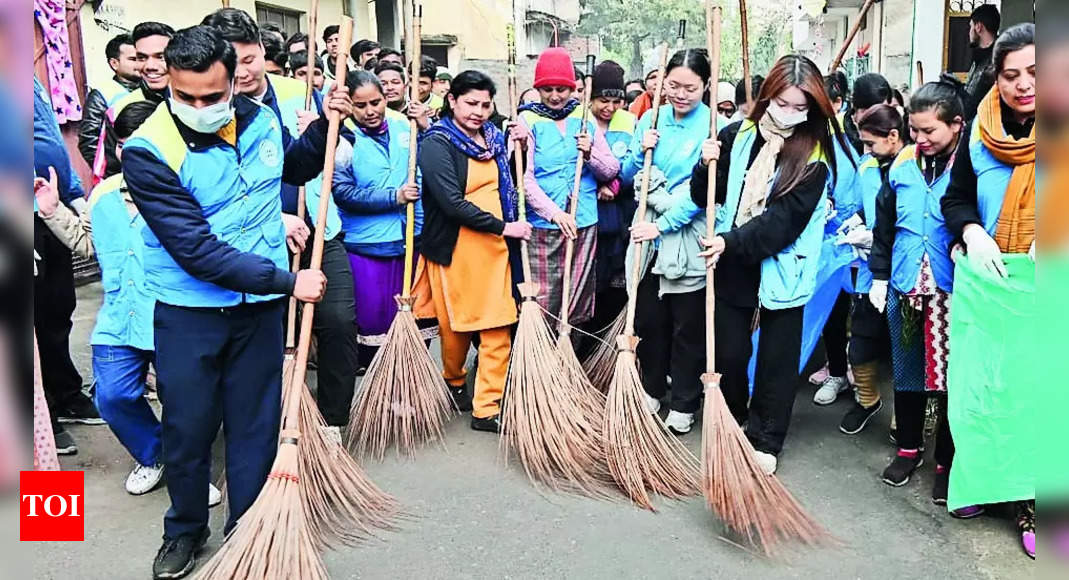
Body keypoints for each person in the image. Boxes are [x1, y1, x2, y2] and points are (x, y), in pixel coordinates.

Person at [120, 25, 344, 578]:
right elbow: (196, 251)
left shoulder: (261, 115)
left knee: (254, 426)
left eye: (212, 96)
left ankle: (249, 529)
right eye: (185, 96)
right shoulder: (148, 152)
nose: (199, 107)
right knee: (189, 429)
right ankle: (185, 529)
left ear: (234, 81)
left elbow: (292, 168)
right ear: (168, 83)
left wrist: (322, 130)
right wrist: (290, 283)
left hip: (258, 311)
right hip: (190, 313)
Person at [35, 100, 223, 504]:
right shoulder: (102, 194)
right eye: (125, 144)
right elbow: (89, 244)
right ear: (118, 149)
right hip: (121, 316)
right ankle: (156, 455)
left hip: (176, 314)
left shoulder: (187, 186)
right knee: (113, 396)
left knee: (183, 401)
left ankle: (190, 471)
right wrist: (52, 213)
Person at [203, 7, 359, 432]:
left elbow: (339, 156)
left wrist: (329, 123)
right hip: (252, 241)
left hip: (320, 228)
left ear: (262, 51)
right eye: (232, 65)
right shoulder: (210, 106)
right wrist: (280, 218)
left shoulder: (302, 92)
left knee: (338, 322)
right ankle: (268, 425)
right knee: (265, 337)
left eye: (250, 60)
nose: (243, 73)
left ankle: (331, 425)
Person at [691, 54, 845, 474]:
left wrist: (728, 241)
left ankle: (766, 437)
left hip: (781, 265)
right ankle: (735, 417)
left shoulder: (814, 156)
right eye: (782, 103)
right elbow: (704, 196)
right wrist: (705, 165)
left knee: (777, 361)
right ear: (766, 96)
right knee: (729, 351)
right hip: (732, 261)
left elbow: (782, 224)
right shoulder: (735, 134)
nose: (791, 114)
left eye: (801, 107)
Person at [941, 23, 1035, 559]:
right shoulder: (980, 133)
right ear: (995, 78)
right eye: (1010, 74)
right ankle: (985, 481)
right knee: (985, 388)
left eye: (1035, 73)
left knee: (1043, 396)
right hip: (992, 283)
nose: (1024, 85)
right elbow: (956, 201)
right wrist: (971, 232)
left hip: (1050, 286)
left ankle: (1037, 505)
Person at [867, 77, 976, 516]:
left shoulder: (970, 168)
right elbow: (885, 225)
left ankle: (947, 462)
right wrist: (878, 275)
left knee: (951, 380)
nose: (920, 139)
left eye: (930, 131)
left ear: (957, 126)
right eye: (915, 130)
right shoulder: (901, 166)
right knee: (909, 371)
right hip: (906, 284)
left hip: (953, 290)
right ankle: (909, 449)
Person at [414, 70, 533, 433]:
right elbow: (450, 202)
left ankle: (487, 408)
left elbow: (512, 183)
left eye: (485, 104)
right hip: (458, 248)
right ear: (451, 101)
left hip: (497, 248)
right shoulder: (436, 143)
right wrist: (503, 226)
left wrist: (522, 150)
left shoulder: (496, 139)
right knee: (457, 331)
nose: (479, 111)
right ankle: (454, 381)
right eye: (470, 103)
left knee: (499, 326)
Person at [622, 49, 714, 435]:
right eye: (673, 85)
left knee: (687, 327)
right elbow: (629, 175)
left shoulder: (714, 127)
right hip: (647, 235)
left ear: (706, 86)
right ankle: (652, 387)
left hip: (688, 239)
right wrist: (644, 148)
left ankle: (685, 401)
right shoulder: (649, 119)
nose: (679, 94)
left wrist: (664, 225)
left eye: (690, 87)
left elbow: (705, 195)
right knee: (648, 319)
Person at [515, 47, 620, 334]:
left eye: (561, 88)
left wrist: (590, 154)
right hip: (542, 226)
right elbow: (525, 180)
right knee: (543, 300)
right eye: (547, 89)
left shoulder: (584, 119)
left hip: (583, 221)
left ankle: (569, 360)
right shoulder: (527, 121)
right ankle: (540, 362)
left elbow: (611, 169)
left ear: (572, 88)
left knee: (576, 300)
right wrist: (554, 213)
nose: (555, 96)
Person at [809, 73, 893, 402]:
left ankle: (863, 380)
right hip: (840, 238)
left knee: (869, 317)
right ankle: (836, 369)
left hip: (876, 246)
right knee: (836, 307)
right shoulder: (839, 141)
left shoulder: (896, 152)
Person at [332, 70, 424, 368]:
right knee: (372, 322)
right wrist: (393, 197)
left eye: (376, 102)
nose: (370, 111)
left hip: (408, 240)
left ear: (386, 98)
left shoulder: (404, 126)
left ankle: (408, 388)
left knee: (412, 319)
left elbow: (421, 175)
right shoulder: (342, 136)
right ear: (350, 105)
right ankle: (377, 389)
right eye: (361, 105)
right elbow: (342, 192)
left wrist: (425, 124)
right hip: (365, 246)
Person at [34, 76, 101, 458]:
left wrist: (74, 195)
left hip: (49, 206)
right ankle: (43, 417)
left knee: (57, 308)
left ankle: (63, 395)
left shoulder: (30, 81)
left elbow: (52, 141)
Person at [835, 104, 905, 435]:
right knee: (860, 344)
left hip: (904, 271)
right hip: (868, 270)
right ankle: (867, 399)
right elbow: (867, 206)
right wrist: (856, 222)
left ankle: (907, 418)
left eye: (871, 144)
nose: (867, 151)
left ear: (893, 137)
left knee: (905, 349)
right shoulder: (868, 168)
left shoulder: (913, 169)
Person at [584, 60, 635, 338]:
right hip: (587, 214)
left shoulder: (629, 122)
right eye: (604, 100)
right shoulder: (580, 120)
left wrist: (614, 185)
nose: (610, 108)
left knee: (614, 286)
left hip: (619, 212)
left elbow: (633, 162)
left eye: (617, 101)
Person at [93, 22, 174, 183]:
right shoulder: (119, 109)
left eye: (160, 57)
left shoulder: (198, 100)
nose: (150, 66)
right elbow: (108, 171)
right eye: (142, 58)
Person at [78, 33, 140, 170]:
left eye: (141, 58)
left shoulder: (151, 89)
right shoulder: (102, 95)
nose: (139, 64)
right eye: (132, 59)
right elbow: (89, 140)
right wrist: (111, 171)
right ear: (114, 63)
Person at [964, 4, 1000, 120]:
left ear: (978, 27)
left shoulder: (998, 59)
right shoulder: (979, 57)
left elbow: (976, 101)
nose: (969, 32)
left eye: (971, 27)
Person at [376, 59, 431, 131]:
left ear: (405, 87)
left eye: (395, 82)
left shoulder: (419, 112)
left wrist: (426, 127)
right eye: (383, 84)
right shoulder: (372, 115)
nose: (390, 88)